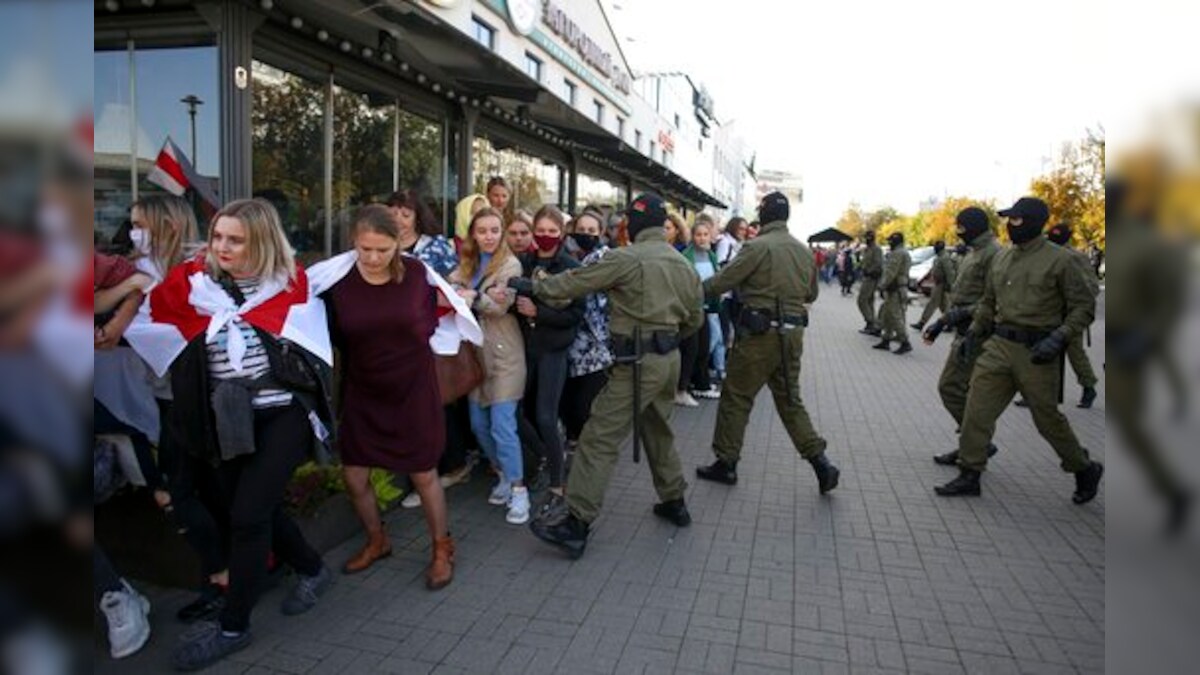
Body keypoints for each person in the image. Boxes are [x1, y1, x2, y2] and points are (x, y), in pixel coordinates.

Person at [124, 199, 336, 671]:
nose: (222, 247)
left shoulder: (289, 283)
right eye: (218, 236)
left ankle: (234, 624)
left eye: (235, 240)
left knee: (247, 515)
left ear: (259, 241)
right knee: (251, 509)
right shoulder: (191, 283)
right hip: (225, 414)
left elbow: (317, 341)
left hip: (283, 413)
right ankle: (313, 569)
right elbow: (149, 319)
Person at [509, 193, 703, 559]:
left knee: (599, 437)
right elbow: (694, 319)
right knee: (658, 429)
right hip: (668, 359)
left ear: (633, 223)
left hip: (638, 362)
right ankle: (674, 500)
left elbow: (574, 283)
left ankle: (576, 523)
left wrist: (535, 286)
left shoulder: (625, 258)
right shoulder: (683, 263)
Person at [312, 204, 472, 586]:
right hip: (364, 389)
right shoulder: (336, 281)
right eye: (364, 248)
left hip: (412, 389)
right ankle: (377, 539)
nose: (372, 258)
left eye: (382, 250)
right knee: (354, 476)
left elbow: (440, 317)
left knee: (423, 473)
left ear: (398, 245)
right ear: (354, 242)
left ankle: (440, 546)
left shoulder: (418, 275)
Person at [934, 197, 1104, 502]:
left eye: (1016, 220)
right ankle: (970, 472)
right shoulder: (1002, 259)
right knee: (976, 410)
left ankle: (1083, 466)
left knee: (1046, 419)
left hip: (1037, 350)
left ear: (1035, 223)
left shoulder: (1062, 260)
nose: (1010, 226)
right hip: (999, 345)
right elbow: (988, 302)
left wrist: (1060, 337)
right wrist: (973, 334)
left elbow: (1083, 307)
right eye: (1008, 220)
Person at [117, 195, 234, 624]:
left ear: (165, 224)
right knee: (192, 490)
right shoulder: (137, 271)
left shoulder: (202, 268)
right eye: (131, 224)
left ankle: (223, 574)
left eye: (139, 224)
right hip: (168, 396)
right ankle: (228, 572)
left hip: (198, 395)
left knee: (182, 492)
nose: (132, 233)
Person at [695, 192, 841, 494]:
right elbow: (811, 294)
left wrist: (688, 291)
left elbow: (723, 282)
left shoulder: (757, 246)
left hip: (759, 337)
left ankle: (726, 462)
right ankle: (821, 463)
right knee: (790, 400)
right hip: (792, 336)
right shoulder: (803, 251)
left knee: (737, 397)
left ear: (763, 214)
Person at [449, 207, 530, 525]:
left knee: (502, 425)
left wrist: (473, 296)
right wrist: (474, 293)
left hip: (506, 356)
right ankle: (503, 475)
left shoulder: (511, 263)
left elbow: (500, 306)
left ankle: (520, 491)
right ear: (473, 234)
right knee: (479, 425)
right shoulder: (467, 263)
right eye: (482, 230)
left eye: (495, 230)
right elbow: (450, 287)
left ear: (502, 232)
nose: (489, 236)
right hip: (475, 357)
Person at [921, 207, 1003, 466]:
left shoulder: (993, 254)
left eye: (962, 227)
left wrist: (954, 317)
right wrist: (942, 322)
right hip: (964, 327)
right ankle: (973, 443)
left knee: (951, 387)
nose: (958, 232)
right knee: (958, 389)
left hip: (977, 331)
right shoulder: (975, 252)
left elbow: (992, 300)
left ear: (974, 227)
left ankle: (976, 444)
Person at [514, 206, 583, 505]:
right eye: (539, 231)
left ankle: (557, 483)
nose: (545, 236)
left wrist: (538, 312)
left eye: (552, 231)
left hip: (554, 349)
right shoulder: (522, 262)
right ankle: (544, 456)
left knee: (545, 416)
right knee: (512, 413)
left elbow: (574, 315)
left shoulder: (570, 265)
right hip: (524, 348)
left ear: (562, 233)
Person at [1016, 223, 1098, 408]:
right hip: (1046, 313)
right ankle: (1033, 393)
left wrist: (1075, 307)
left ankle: (1088, 387)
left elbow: (1090, 287)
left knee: (1075, 353)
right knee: (1037, 352)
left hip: (1069, 315)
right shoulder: (1044, 256)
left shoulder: (1075, 258)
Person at [560, 209, 613, 456]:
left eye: (591, 231)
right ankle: (575, 445)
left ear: (601, 233)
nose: (586, 235)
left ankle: (588, 452)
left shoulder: (604, 258)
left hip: (596, 346)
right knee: (570, 403)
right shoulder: (569, 256)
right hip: (571, 344)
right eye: (581, 230)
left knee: (585, 405)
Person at [680, 217, 722, 400]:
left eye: (705, 234)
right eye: (698, 234)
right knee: (691, 349)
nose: (702, 238)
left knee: (704, 347)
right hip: (691, 310)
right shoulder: (686, 256)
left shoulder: (712, 256)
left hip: (706, 307)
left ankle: (701, 384)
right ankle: (684, 387)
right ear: (692, 236)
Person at [872, 232, 913, 354]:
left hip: (895, 288)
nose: (889, 243)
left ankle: (905, 342)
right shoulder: (903, 252)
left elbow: (891, 272)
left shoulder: (897, 253)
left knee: (895, 316)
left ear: (896, 241)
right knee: (888, 315)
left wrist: (882, 285)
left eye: (891, 241)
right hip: (897, 288)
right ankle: (886, 339)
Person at [911, 240, 953, 330]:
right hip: (938, 283)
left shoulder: (944, 258)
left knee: (932, 304)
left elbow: (949, 272)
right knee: (944, 306)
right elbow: (933, 270)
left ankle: (922, 323)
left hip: (942, 284)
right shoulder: (938, 257)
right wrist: (923, 279)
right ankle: (950, 323)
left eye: (936, 247)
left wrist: (950, 285)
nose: (935, 248)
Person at [856, 230, 884, 334]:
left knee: (862, 300)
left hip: (872, 278)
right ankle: (872, 324)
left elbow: (878, 264)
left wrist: (869, 271)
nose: (867, 239)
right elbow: (864, 262)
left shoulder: (876, 249)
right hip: (867, 277)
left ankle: (870, 321)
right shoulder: (867, 249)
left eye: (869, 237)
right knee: (869, 301)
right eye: (866, 237)